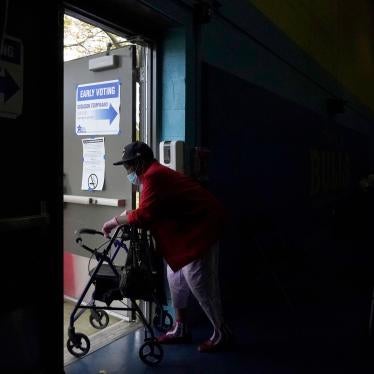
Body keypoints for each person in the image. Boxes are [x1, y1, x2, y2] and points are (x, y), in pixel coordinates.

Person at [101, 141, 232, 352]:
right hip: (185, 230)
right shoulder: (151, 176)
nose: (127, 171)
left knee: (198, 281)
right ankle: (180, 327)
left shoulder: (153, 176)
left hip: (202, 227)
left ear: (139, 162)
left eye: (128, 166)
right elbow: (148, 208)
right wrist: (125, 217)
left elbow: (144, 215)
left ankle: (221, 332)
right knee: (175, 275)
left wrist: (114, 221)